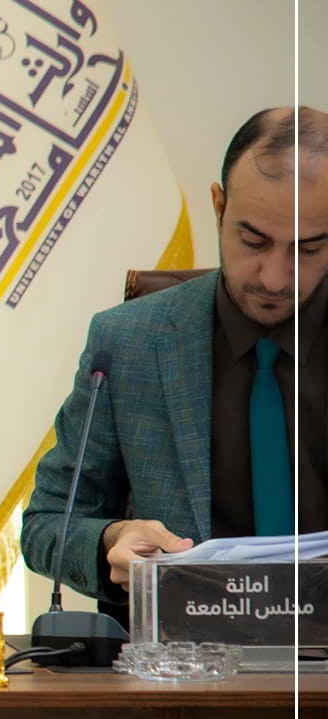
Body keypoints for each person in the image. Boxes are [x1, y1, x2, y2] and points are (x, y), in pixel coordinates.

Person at [23, 106, 328, 602]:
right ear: (218, 207)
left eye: (308, 248)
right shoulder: (129, 342)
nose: (275, 278)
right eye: (253, 240)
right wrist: (110, 543)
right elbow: (48, 522)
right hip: (186, 644)